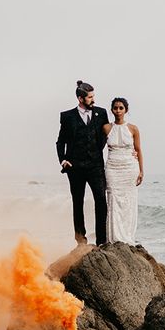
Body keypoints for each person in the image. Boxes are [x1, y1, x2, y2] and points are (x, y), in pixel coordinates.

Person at [56, 80, 109, 245]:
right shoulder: (67, 116)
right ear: (80, 98)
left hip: (96, 166)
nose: (93, 100)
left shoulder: (102, 113)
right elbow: (60, 141)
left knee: (101, 201)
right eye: (90, 97)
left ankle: (101, 240)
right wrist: (63, 160)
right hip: (75, 167)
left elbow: (105, 137)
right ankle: (81, 240)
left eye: (93, 96)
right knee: (77, 202)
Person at [103, 97, 144, 244]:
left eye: (121, 108)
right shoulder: (106, 128)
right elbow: (96, 148)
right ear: (112, 110)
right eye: (115, 108)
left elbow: (138, 150)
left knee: (128, 202)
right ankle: (114, 238)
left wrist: (141, 171)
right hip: (112, 168)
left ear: (126, 110)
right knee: (113, 200)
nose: (118, 111)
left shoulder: (133, 128)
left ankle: (127, 237)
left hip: (129, 168)